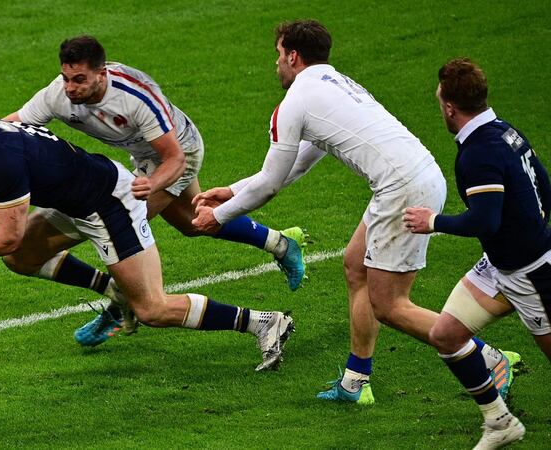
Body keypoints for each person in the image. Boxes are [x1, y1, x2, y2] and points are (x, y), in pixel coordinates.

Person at [191, 20, 515, 405]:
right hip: (414, 176)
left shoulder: (294, 102)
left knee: (391, 305)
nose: (276, 64)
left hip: (402, 189)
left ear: (293, 56)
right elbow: (294, 165)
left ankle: (487, 358)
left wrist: (220, 215)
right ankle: (355, 382)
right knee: (355, 264)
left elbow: (271, 184)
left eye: (278, 55)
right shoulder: (335, 83)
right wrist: (230, 191)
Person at [0, 92, 295, 372]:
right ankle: (112, 291)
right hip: (76, 200)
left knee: (153, 309)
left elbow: (7, 233)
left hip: (110, 206)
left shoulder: (2, 162)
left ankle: (263, 322)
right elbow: (5, 227)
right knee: (22, 257)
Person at [0, 36, 306, 342]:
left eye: (79, 79)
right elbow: (10, 128)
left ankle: (123, 303)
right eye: (66, 78)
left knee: (115, 230)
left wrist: (152, 183)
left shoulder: (135, 97)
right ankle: (279, 243)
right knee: (192, 222)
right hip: (144, 157)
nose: (70, 88)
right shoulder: (58, 94)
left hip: (178, 153)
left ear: (101, 74)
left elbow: (174, 158)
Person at [404, 58, 551, 449]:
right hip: (500, 267)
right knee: (445, 334)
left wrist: (433, 221)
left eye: (439, 102)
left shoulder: (478, 153)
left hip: (533, 275)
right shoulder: (505, 132)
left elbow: (484, 221)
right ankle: (499, 422)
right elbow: (544, 186)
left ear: (450, 107)